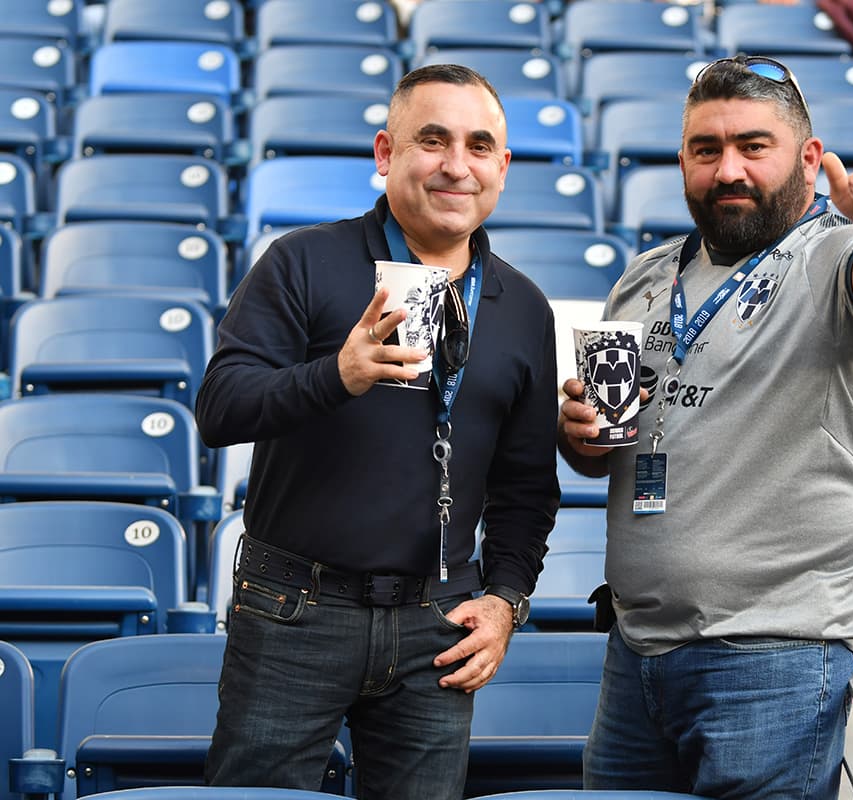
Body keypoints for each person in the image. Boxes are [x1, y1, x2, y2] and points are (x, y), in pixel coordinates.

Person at [558, 55, 853, 800]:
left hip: (774, 654)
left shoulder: (836, 256)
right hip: (637, 648)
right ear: (683, 161)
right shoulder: (644, 276)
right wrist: (583, 435)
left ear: (810, 158)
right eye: (707, 149)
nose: (729, 169)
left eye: (754, 146)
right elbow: (606, 452)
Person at [198, 64, 560, 800]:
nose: (457, 165)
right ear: (385, 153)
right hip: (293, 609)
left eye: (479, 145)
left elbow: (526, 490)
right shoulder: (302, 261)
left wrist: (505, 601)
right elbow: (221, 408)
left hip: (441, 622)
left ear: (503, 167)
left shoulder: (523, 306)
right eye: (433, 140)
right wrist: (338, 374)